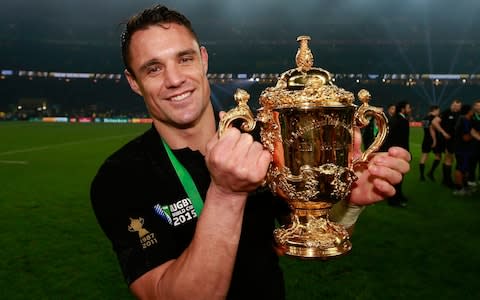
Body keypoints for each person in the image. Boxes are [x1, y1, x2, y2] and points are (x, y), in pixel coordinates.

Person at [90, 5, 411, 299]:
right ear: (133, 82)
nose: (174, 79)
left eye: (184, 59)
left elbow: (302, 231)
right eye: (153, 68)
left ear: (203, 59)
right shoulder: (119, 178)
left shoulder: (264, 139)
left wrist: (347, 203)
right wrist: (226, 193)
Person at [385, 101, 411, 207]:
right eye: (408, 107)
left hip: (393, 150)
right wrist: (407, 153)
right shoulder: (402, 121)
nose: (410, 109)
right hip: (398, 152)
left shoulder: (395, 119)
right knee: (397, 176)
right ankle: (394, 199)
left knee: (398, 176)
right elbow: (403, 140)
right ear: (403, 109)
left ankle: (398, 195)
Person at [432, 99, 462, 188]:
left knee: (450, 159)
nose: (456, 108)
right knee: (449, 159)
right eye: (454, 106)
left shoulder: (459, 114)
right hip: (448, 140)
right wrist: (443, 133)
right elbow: (434, 122)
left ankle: (446, 180)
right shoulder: (446, 112)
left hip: (455, 140)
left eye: (458, 106)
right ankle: (447, 181)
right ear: (451, 105)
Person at [452, 105, 480, 196]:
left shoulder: (467, 120)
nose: (473, 112)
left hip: (466, 150)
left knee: (465, 169)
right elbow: (466, 137)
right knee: (460, 168)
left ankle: (464, 186)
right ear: (469, 111)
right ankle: (458, 189)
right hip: (462, 150)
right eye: (472, 110)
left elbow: (473, 132)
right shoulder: (464, 121)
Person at [419, 105, 441, 181]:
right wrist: (434, 140)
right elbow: (432, 130)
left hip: (426, 139)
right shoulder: (435, 119)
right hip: (434, 139)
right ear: (434, 110)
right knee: (438, 156)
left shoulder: (425, 118)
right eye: (438, 111)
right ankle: (431, 173)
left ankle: (422, 176)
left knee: (424, 157)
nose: (439, 112)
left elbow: (425, 129)